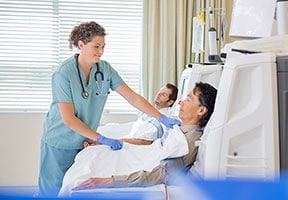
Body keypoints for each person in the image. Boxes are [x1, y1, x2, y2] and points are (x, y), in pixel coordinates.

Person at [38, 21, 180, 197]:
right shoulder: (64, 74)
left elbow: (132, 97)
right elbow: (68, 119)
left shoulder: (104, 69)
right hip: (59, 141)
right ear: (81, 45)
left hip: (83, 140)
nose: (101, 51)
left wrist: (161, 117)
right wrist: (101, 138)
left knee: (73, 188)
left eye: (103, 47)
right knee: (51, 192)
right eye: (96, 46)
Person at [69, 82, 217, 191]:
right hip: (140, 156)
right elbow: (154, 148)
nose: (181, 102)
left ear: (201, 110)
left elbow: (160, 175)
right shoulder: (178, 128)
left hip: (141, 165)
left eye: (189, 99)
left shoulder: (188, 142)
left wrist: (110, 181)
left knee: (81, 175)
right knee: (93, 155)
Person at [85, 83, 178, 146]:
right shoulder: (150, 113)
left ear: (170, 102)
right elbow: (135, 127)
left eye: (163, 95)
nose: (158, 94)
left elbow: (144, 142)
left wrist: (107, 142)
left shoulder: (162, 120)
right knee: (99, 129)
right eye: (160, 92)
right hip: (129, 136)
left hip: (131, 146)